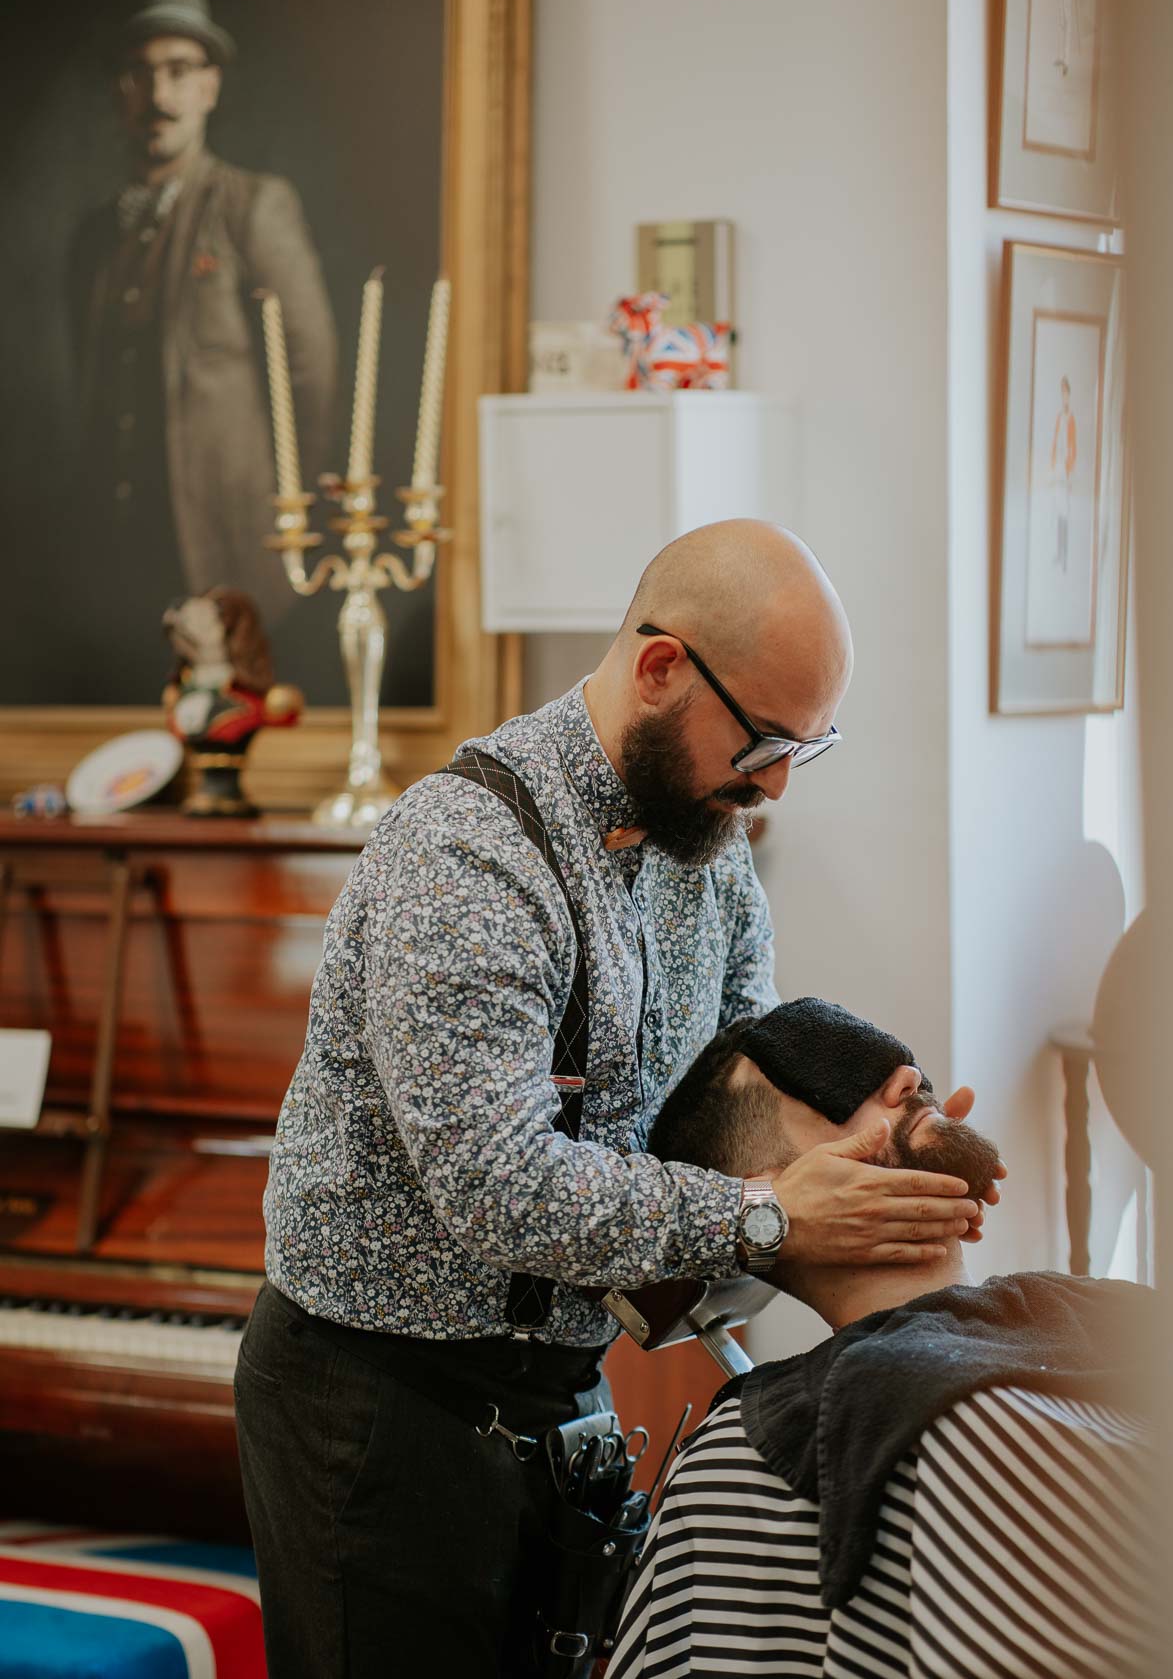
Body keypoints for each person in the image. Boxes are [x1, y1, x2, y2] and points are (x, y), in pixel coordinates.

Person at [234, 521, 994, 1677]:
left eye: (811, 746)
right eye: (768, 741)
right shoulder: (465, 858)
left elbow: (740, 1083)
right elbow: (503, 1186)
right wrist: (773, 1220)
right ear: (659, 671)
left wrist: (887, 1126)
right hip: (378, 1408)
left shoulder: (712, 838)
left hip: (561, 1389)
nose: (779, 784)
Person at [610, 997, 1154, 1679]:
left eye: (895, 1066)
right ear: (771, 1195)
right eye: (830, 1080)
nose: (906, 1077)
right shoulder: (744, 1462)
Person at [66, 0, 337, 696]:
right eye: (142, 72)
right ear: (121, 91)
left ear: (210, 86)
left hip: (224, 525)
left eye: (181, 70)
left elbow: (309, 365)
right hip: (119, 536)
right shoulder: (96, 235)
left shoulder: (254, 204)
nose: (161, 91)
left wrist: (292, 499)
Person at [1051, 372, 1077, 573]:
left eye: (1066, 393)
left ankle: (1066, 556)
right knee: (1059, 512)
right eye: (1062, 393)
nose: (1064, 397)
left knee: (1065, 513)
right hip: (1058, 467)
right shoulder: (1059, 417)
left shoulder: (1071, 419)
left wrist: (1069, 472)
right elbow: (1055, 442)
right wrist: (1054, 467)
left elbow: (1072, 447)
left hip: (1066, 470)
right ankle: (1059, 553)